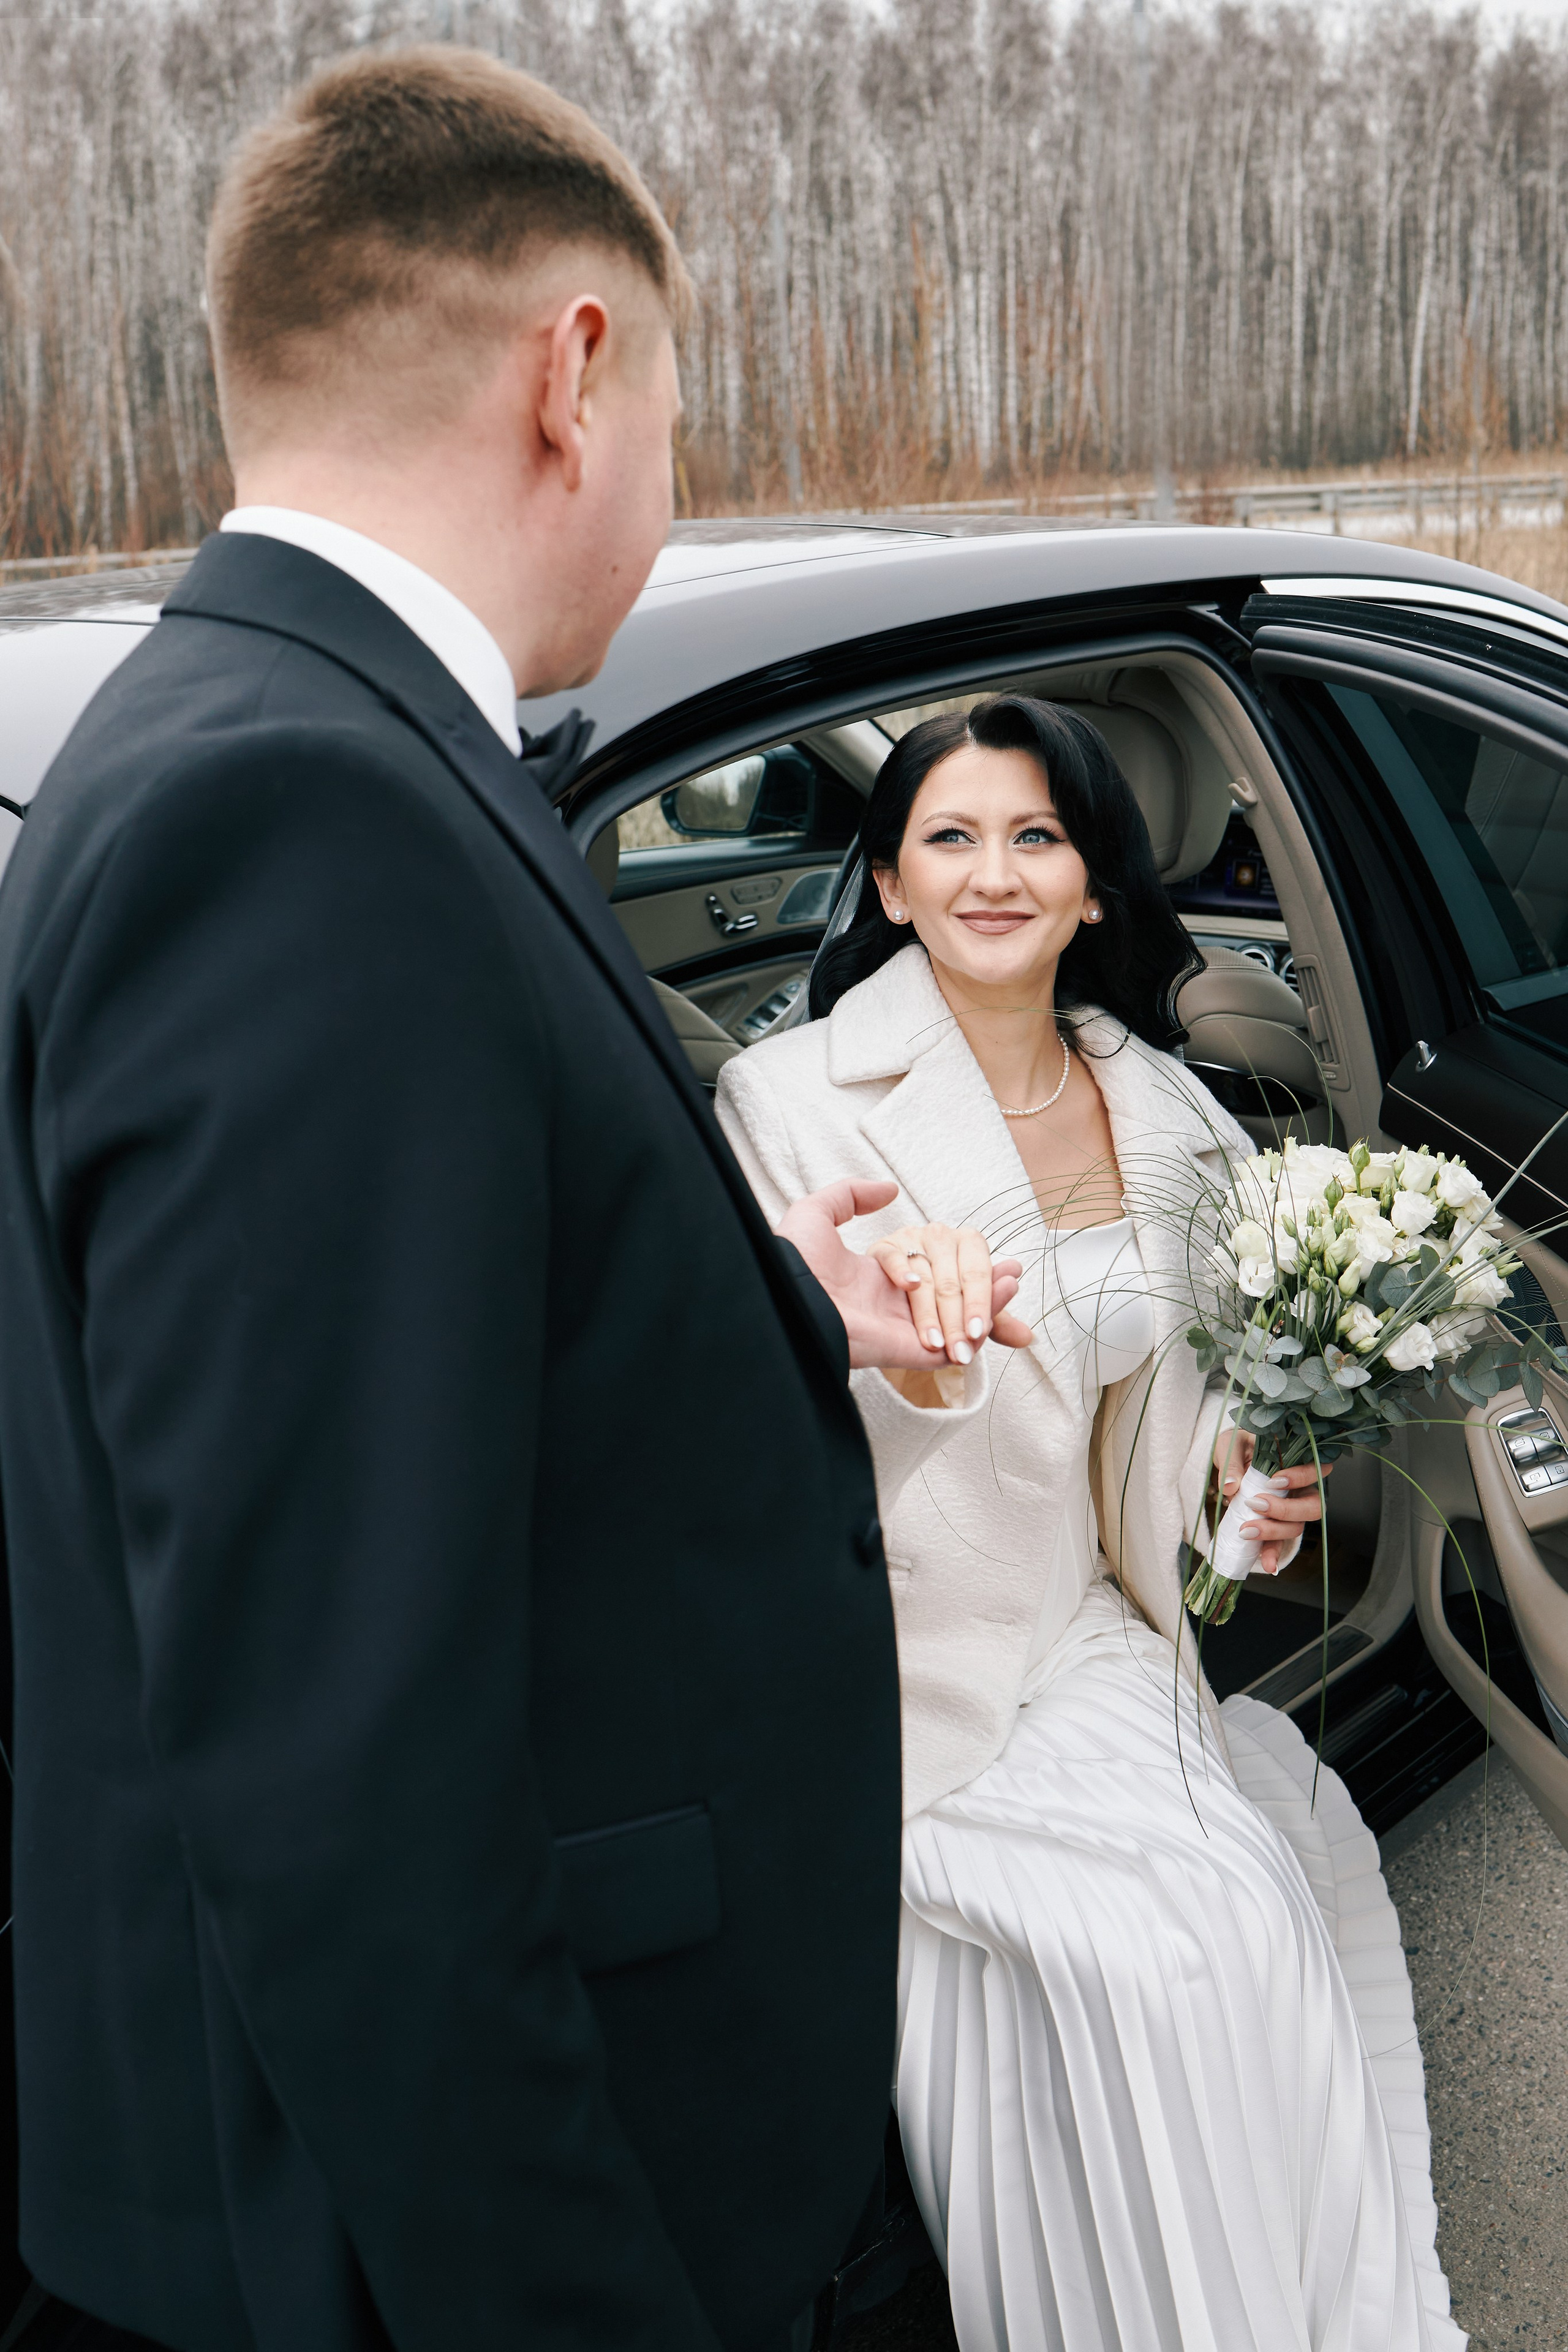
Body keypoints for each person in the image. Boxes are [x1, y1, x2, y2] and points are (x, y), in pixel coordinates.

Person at [0, 50, 1035, 2352]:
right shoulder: (307, 825)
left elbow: (386, 1398)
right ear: (575, 375)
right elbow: (345, 1778)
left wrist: (775, 1304)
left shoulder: (215, 739)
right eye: (674, 408)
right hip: (509, 2233)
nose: (670, 480)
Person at [717, 694, 1465, 2351]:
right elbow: (748, 1454)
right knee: (1141, 1964)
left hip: (1088, 1621)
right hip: (895, 1656)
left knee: (1250, 1923)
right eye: (951, 838)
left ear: (1094, 886)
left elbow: (1163, 1415)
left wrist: (1237, 1496)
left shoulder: (1174, 1112)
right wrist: (901, 1354)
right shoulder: (788, 1102)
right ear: (891, 885)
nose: (995, 873)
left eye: (1036, 837)